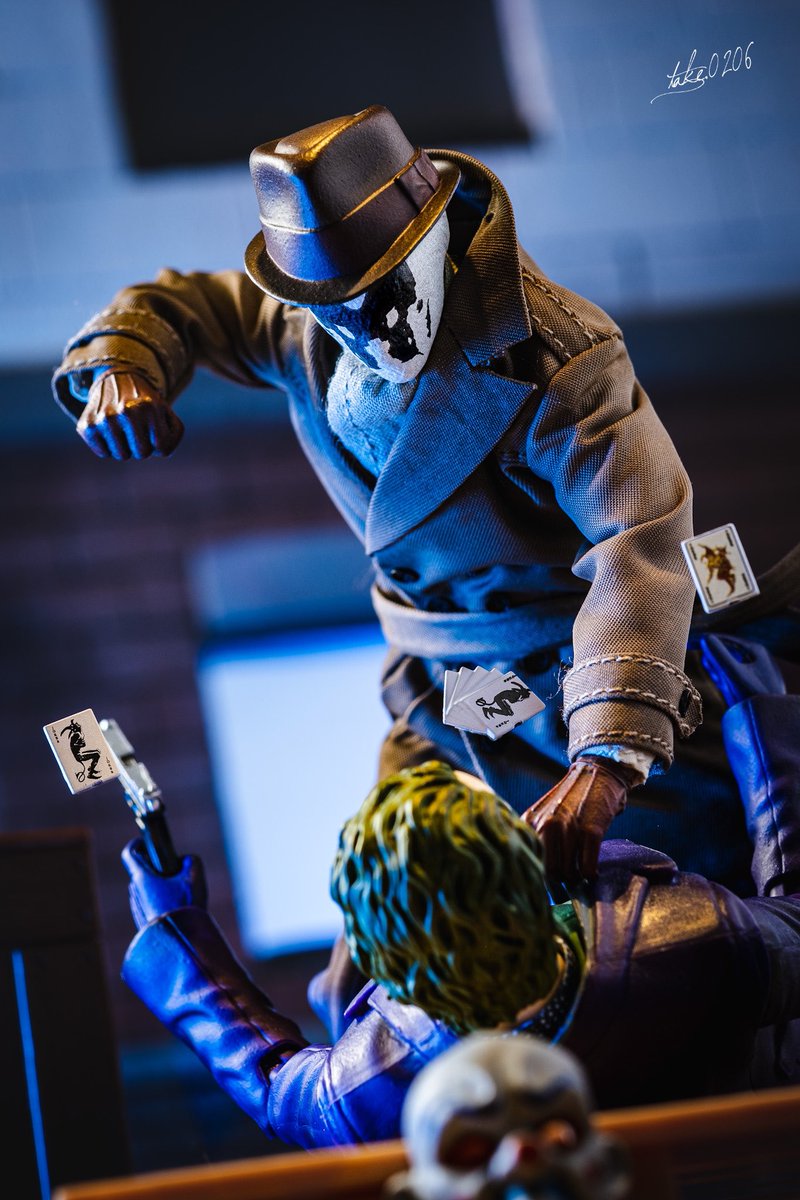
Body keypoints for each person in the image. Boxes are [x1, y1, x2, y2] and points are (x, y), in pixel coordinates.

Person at [51, 103, 725, 887]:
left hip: (571, 685)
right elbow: (179, 306)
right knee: (384, 901)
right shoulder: (304, 327)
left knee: (649, 899)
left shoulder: (558, 360)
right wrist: (123, 366)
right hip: (448, 686)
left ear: (434, 234)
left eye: (377, 297)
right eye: (332, 313)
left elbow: (642, 540)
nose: (365, 334)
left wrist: (606, 759)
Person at [121, 634, 800, 1148]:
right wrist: (764, 720)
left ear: (381, 964)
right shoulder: (689, 939)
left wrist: (174, 928)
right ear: (526, 872)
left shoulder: (363, 1086)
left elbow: (271, 1083)